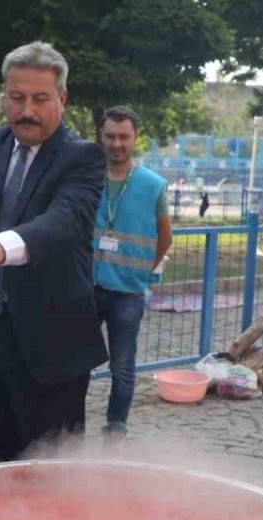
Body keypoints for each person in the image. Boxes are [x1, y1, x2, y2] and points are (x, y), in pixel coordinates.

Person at [0, 41, 107, 461]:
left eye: (40, 98)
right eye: (16, 98)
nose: (26, 111)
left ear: (62, 99)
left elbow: (63, 224)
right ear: (4, 96)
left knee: (52, 470)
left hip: (52, 346)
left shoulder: (83, 157)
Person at [91, 106, 172, 444]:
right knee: (74, 362)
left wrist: (143, 271)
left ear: (135, 137)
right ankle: (68, 425)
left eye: (123, 137)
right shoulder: (89, 177)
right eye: (110, 136)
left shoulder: (152, 185)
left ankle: (116, 429)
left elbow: (165, 237)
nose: (117, 144)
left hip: (128, 292)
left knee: (122, 367)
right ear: (101, 137)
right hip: (88, 286)